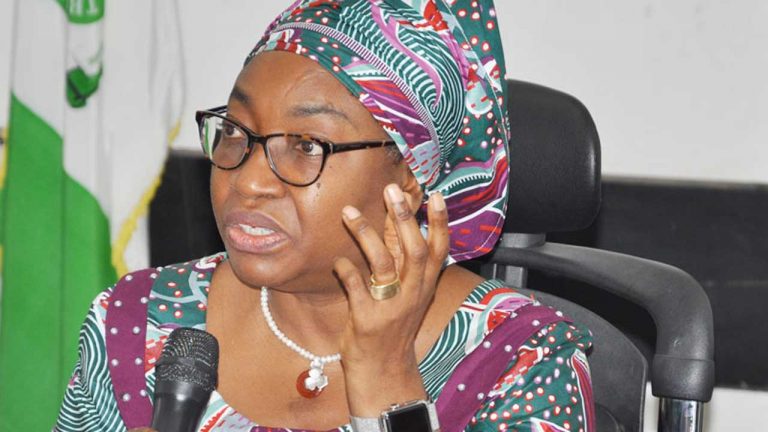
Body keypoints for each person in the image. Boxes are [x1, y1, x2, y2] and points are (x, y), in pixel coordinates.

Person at [55, 1, 594, 431]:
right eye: (236, 131)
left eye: (307, 145)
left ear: (410, 174)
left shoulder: (522, 360)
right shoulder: (137, 324)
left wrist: (386, 379)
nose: (249, 180)